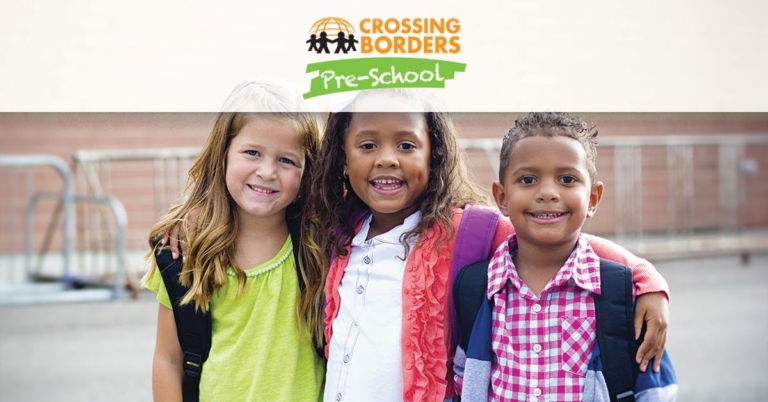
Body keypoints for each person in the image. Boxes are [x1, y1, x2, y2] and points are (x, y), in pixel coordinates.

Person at [303, 91, 671, 402]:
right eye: (368, 145)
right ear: (342, 159)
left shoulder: (467, 229)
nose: (387, 157)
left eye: (406, 144)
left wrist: (648, 281)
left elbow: (568, 242)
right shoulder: (335, 234)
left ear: (434, 156)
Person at [454, 112, 678, 401]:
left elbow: (654, 390)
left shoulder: (620, 292)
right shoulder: (475, 288)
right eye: (528, 179)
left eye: (567, 179)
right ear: (502, 198)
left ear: (593, 199)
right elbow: (461, 376)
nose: (548, 192)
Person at [142, 81, 326, 402]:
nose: (267, 171)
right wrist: (193, 209)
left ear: (308, 170)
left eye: (287, 160)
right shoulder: (186, 249)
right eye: (252, 153)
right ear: (223, 154)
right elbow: (168, 359)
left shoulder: (319, 243)